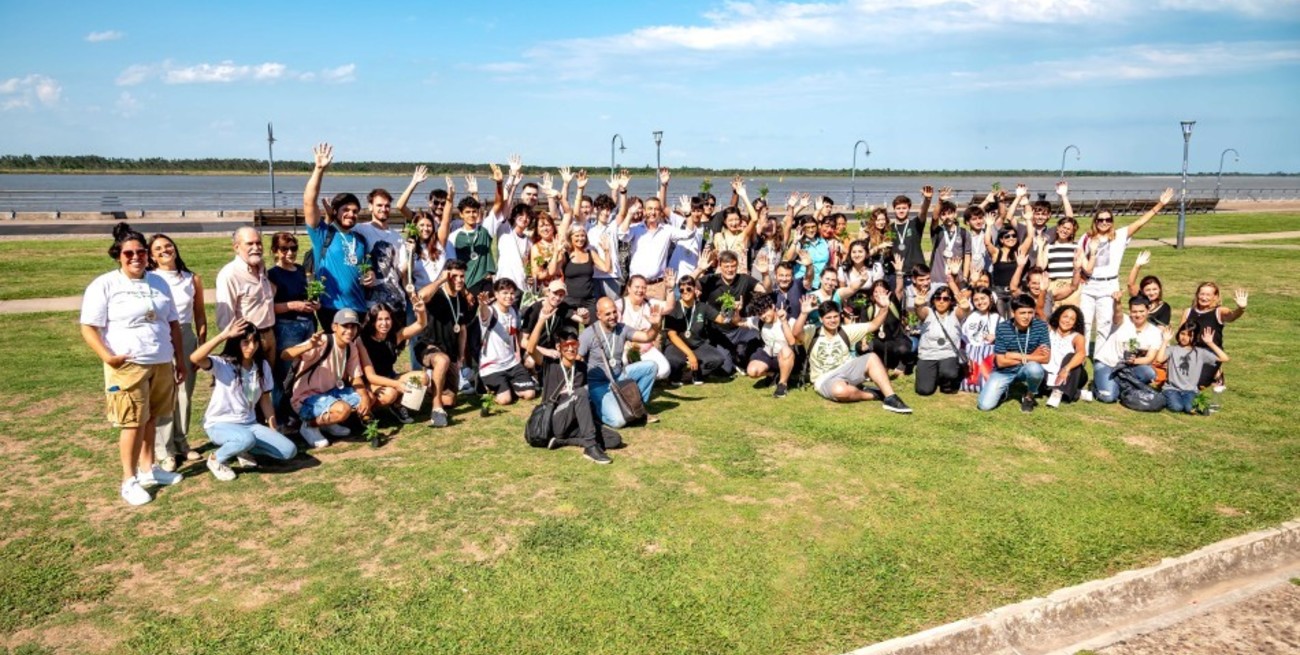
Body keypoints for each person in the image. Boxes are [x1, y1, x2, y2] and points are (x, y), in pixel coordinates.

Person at [80, 222, 185, 506]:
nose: (136, 257)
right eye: (129, 253)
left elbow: (172, 322)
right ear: (118, 255)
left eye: (141, 252)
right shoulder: (105, 284)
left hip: (161, 360)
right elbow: (89, 327)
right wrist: (108, 357)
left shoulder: (158, 281)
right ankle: (128, 480)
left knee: (152, 418)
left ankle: (148, 469)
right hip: (128, 365)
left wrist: (178, 358)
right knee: (132, 422)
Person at [190, 318, 297, 481]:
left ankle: (241, 448)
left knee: (288, 450)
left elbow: (265, 400)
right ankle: (216, 459)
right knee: (245, 439)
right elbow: (195, 358)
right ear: (236, 343)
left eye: (255, 342)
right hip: (219, 424)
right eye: (245, 342)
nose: (252, 347)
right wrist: (223, 336)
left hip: (249, 424)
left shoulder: (262, 366)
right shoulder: (223, 364)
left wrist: (273, 430)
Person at [1077, 188, 1173, 355]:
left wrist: (1160, 205)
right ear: (1095, 221)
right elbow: (1079, 261)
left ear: (1112, 221)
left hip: (1109, 284)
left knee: (1105, 323)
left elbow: (1140, 223)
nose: (1104, 223)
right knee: (1084, 322)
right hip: (1089, 284)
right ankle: (1082, 355)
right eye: (1101, 220)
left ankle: (1100, 357)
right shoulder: (1086, 238)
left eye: (1108, 220)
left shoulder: (1119, 236)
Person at [787, 289, 912, 412]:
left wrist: (884, 308)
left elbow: (873, 325)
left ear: (840, 316)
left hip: (847, 369)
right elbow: (796, 333)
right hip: (824, 378)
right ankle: (875, 394)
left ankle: (891, 397)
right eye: (828, 317)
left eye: (835, 316)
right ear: (821, 319)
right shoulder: (812, 331)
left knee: (872, 358)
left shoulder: (846, 331)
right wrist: (803, 313)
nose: (832, 320)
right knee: (840, 391)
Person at [147, 233, 207, 470]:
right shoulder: (150, 278)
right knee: (165, 394)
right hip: (161, 336)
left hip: (186, 336)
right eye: (158, 249)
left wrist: (201, 343)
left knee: (184, 393)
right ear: (151, 256)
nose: (164, 251)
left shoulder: (192, 279)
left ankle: (182, 442)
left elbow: (200, 314)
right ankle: (165, 450)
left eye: (168, 246)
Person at [302, 144, 376, 327]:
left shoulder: (360, 240)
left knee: (353, 355)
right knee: (336, 353)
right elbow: (309, 202)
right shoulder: (323, 234)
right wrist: (319, 170)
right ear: (334, 211)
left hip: (359, 308)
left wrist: (371, 275)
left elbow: (367, 268)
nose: (351, 214)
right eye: (346, 210)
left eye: (355, 211)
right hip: (331, 308)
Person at [282, 309, 377, 449]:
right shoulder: (323, 341)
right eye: (345, 326)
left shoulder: (351, 346)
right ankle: (309, 425)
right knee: (343, 410)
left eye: (353, 326)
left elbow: (356, 377)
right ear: (334, 327)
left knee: (368, 396)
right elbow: (285, 355)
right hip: (306, 398)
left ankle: (328, 423)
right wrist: (308, 346)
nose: (349, 331)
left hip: (331, 393)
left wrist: (364, 397)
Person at [524, 323, 614, 464]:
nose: (571, 349)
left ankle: (563, 441)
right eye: (566, 345)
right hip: (553, 420)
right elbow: (530, 349)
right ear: (558, 347)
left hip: (573, 423)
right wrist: (541, 318)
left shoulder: (582, 368)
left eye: (574, 345)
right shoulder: (550, 364)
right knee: (580, 393)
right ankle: (590, 447)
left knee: (614, 439)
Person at [578, 297, 662, 429]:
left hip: (620, 376)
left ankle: (638, 408)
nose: (612, 316)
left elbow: (647, 337)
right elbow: (576, 358)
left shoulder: (622, 328)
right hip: (599, 384)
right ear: (598, 315)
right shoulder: (589, 334)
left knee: (651, 367)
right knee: (619, 422)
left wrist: (656, 325)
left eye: (614, 312)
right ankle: (595, 408)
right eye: (607, 314)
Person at [267, 232, 319, 427]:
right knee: (285, 374)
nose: (290, 253)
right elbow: (269, 307)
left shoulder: (300, 270)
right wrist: (292, 306)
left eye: (293, 249)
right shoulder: (273, 274)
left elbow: (309, 296)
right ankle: (281, 418)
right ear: (275, 251)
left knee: (304, 371)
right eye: (284, 249)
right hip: (287, 327)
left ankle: (299, 412)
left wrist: (314, 305)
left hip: (308, 324)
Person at [414, 260, 471, 428]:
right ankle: (436, 409)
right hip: (428, 346)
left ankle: (427, 390)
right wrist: (441, 279)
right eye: (454, 276)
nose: (459, 280)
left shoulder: (461, 298)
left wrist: (460, 356)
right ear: (447, 276)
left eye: (462, 276)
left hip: (449, 352)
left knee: (450, 400)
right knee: (442, 360)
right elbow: (421, 296)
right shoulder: (437, 294)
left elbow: (462, 330)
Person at [215, 227, 277, 372]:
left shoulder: (261, 267)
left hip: (270, 335)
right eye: (250, 244)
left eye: (258, 243)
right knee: (247, 385)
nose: (256, 248)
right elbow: (225, 317)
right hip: (248, 340)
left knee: (266, 384)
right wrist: (239, 343)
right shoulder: (229, 274)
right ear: (236, 247)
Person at [977, 293, 1051, 412]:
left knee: (1035, 369)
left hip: (1026, 368)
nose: (1026, 317)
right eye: (1022, 313)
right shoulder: (1003, 327)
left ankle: (1029, 397)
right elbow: (1000, 362)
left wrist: (1012, 355)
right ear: (1013, 312)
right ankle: (1004, 389)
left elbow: (1046, 358)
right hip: (1004, 371)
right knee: (984, 406)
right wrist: (1032, 356)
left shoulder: (1041, 327)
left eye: (1030, 313)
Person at [360, 299, 428, 424]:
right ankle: (366, 412)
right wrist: (396, 385)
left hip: (390, 377)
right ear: (373, 321)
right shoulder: (363, 341)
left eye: (387, 319)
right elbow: (371, 377)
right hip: (371, 383)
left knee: (422, 377)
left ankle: (397, 406)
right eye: (379, 319)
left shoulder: (395, 337)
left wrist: (421, 311)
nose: (384, 323)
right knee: (390, 394)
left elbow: (420, 325)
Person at [664, 275, 739, 384]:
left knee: (718, 359)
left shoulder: (702, 307)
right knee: (674, 361)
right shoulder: (674, 307)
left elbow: (722, 320)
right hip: (677, 346)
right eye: (681, 290)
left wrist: (732, 309)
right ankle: (680, 374)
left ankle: (688, 376)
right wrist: (690, 354)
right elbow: (672, 335)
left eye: (689, 288)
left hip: (697, 345)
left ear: (695, 289)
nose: (685, 292)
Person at [475, 278, 537, 406]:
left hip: (511, 363)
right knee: (505, 400)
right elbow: (484, 315)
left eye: (512, 293)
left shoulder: (514, 311)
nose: (509, 296)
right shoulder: (491, 311)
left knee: (530, 394)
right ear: (496, 294)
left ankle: (507, 385)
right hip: (492, 366)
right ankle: (485, 384)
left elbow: (516, 336)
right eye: (504, 293)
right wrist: (482, 305)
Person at [1092, 295, 1164, 404]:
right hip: (1107, 364)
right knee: (1109, 397)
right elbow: (1117, 313)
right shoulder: (1122, 320)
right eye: (1134, 312)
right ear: (1130, 311)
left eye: (1141, 311)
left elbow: (1150, 358)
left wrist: (1134, 361)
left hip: (1128, 368)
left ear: (1148, 310)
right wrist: (1118, 301)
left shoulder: (1155, 332)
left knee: (1149, 373)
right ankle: (1100, 386)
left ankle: (1119, 385)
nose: (1138, 315)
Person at [1178, 282, 1247, 390]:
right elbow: (1181, 335)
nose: (1204, 297)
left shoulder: (1219, 311)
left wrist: (1241, 309)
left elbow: (1232, 316)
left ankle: (1216, 373)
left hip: (1211, 352)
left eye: (1208, 295)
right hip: (1191, 351)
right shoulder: (1188, 312)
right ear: (1197, 295)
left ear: (1215, 297)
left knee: (1197, 385)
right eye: (1202, 294)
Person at [1157, 324, 1230, 413]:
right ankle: (1163, 396)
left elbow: (1225, 358)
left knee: (1189, 408)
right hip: (1172, 389)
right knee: (1177, 407)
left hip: (1190, 390)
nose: (1184, 337)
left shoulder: (1200, 352)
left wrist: (1210, 343)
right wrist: (1165, 341)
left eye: (1189, 335)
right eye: (1182, 334)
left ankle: (1190, 402)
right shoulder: (1173, 349)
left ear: (1195, 336)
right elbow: (1159, 359)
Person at [913, 287, 970, 396]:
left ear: (951, 301)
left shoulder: (955, 313)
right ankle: (930, 374)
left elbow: (963, 311)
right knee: (924, 391)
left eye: (945, 298)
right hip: (928, 355)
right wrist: (917, 306)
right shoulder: (928, 312)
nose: (941, 301)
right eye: (938, 298)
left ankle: (946, 379)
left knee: (949, 374)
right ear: (933, 300)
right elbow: (920, 312)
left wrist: (966, 308)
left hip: (948, 354)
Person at [618, 273, 676, 380]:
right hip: (624, 349)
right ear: (629, 288)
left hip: (646, 348)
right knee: (625, 363)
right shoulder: (620, 304)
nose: (640, 290)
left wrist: (670, 289)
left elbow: (669, 307)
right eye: (637, 287)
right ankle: (632, 379)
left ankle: (640, 377)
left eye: (644, 288)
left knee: (664, 370)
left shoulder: (650, 303)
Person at [550, 223, 613, 319]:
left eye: (583, 235)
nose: (580, 238)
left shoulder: (590, 253)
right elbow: (551, 271)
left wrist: (607, 251)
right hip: (569, 300)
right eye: (577, 235)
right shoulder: (566, 255)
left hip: (589, 300)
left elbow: (607, 269)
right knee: (570, 332)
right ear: (570, 237)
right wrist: (556, 252)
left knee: (593, 329)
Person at [741, 294, 796, 397]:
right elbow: (739, 321)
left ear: (773, 306)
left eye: (765, 312)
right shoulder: (759, 321)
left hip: (787, 357)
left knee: (785, 350)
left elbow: (792, 342)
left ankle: (782, 385)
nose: (763, 316)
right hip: (769, 354)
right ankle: (773, 375)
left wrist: (784, 321)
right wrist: (735, 311)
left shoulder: (789, 320)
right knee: (752, 371)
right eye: (760, 314)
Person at [1043, 305, 1089, 404]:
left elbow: (1081, 354)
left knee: (1071, 356)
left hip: (1070, 373)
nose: (1067, 321)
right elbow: (1039, 311)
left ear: (1075, 323)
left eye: (1072, 319)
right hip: (1049, 372)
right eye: (1065, 317)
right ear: (1058, 317)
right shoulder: (1049, 330)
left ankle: (1058, 392)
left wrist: (1066, 369)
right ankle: (1077, 393)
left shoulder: (1077, 337)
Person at [960, 287, 1001, 393]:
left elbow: (1007, 340)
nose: (980, 302)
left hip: (989, 356)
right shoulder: (969, 317)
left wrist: (996, 337)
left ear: (990, 298)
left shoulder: (998, 318)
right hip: (971, 355)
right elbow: (963, 337)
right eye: (976, 300)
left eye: (983, 298)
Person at [1126, 251, 1171, 327]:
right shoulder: (1139, 298)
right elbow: (1130, 284)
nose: (1152, 293)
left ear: (1159, 289)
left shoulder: (1165, 307)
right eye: (1148, 290)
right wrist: (1137, 266)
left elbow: (1161, 328)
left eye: (1154, 289)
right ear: (1142, 291)